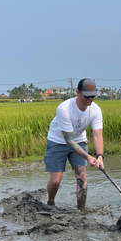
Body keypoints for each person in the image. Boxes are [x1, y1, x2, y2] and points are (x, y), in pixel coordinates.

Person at [44, 78, 105, 210]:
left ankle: (81, 211)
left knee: (82, 177)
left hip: (79, 140)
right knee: (55, 181)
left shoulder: (95, 110)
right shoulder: (64, 109)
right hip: (58, 141)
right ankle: (51, 202)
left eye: (93, 96)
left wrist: (100, 156)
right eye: (87, 96)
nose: (90, 99)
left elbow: (97, 135)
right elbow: (69, 141)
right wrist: (88, 157)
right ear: (77, 92)